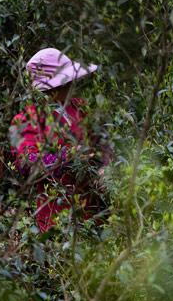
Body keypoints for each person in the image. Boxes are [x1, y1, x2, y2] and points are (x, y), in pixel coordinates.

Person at [9, 47, 110, 233]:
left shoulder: (78, 107)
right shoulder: (27, 120)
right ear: (53, 88)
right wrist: (66, 156)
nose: (72, 84)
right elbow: (26, 163)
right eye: (66, 82)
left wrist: (105, 166)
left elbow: (100, 139)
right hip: (56, 214)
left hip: (92, 207)